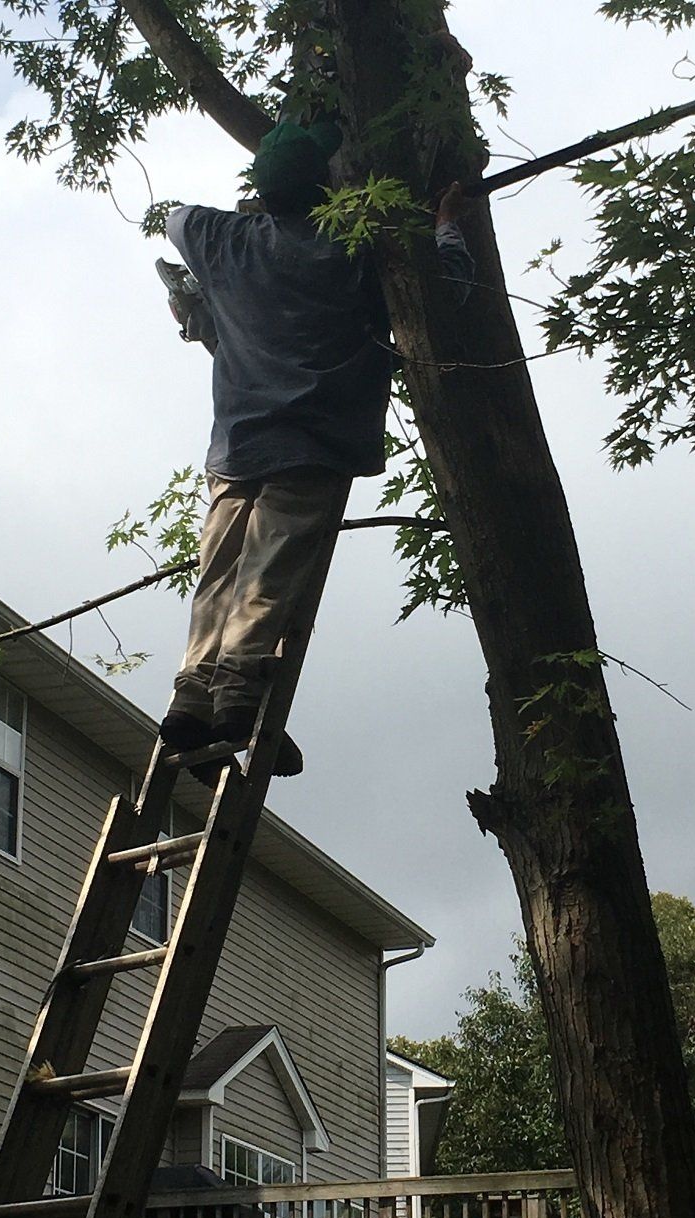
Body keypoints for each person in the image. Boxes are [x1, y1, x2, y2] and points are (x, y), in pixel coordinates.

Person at [159, 121, 473, 776]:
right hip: (313, 440)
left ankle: (192, 696)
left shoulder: (223, 241)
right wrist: (445, 226)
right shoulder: (352, 254)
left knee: (219, 576)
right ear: (323, 188)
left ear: (264, 192)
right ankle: (237, 697)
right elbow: (443, 298)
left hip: (237, 443)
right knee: (269, 573)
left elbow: (175, 216)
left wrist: (247, 216)